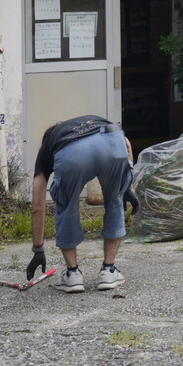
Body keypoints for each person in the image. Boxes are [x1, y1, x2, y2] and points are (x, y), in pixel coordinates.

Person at [26, 114, 135, 293]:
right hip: (111, 141)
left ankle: (73, 275)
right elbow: (125, 141)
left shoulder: (49, 145)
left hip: (71, 153)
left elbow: (37, 205)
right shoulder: (91, 120)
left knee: (66, 205)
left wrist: (38, 248)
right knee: (115, 200)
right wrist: (127, 182)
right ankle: (109, 272)